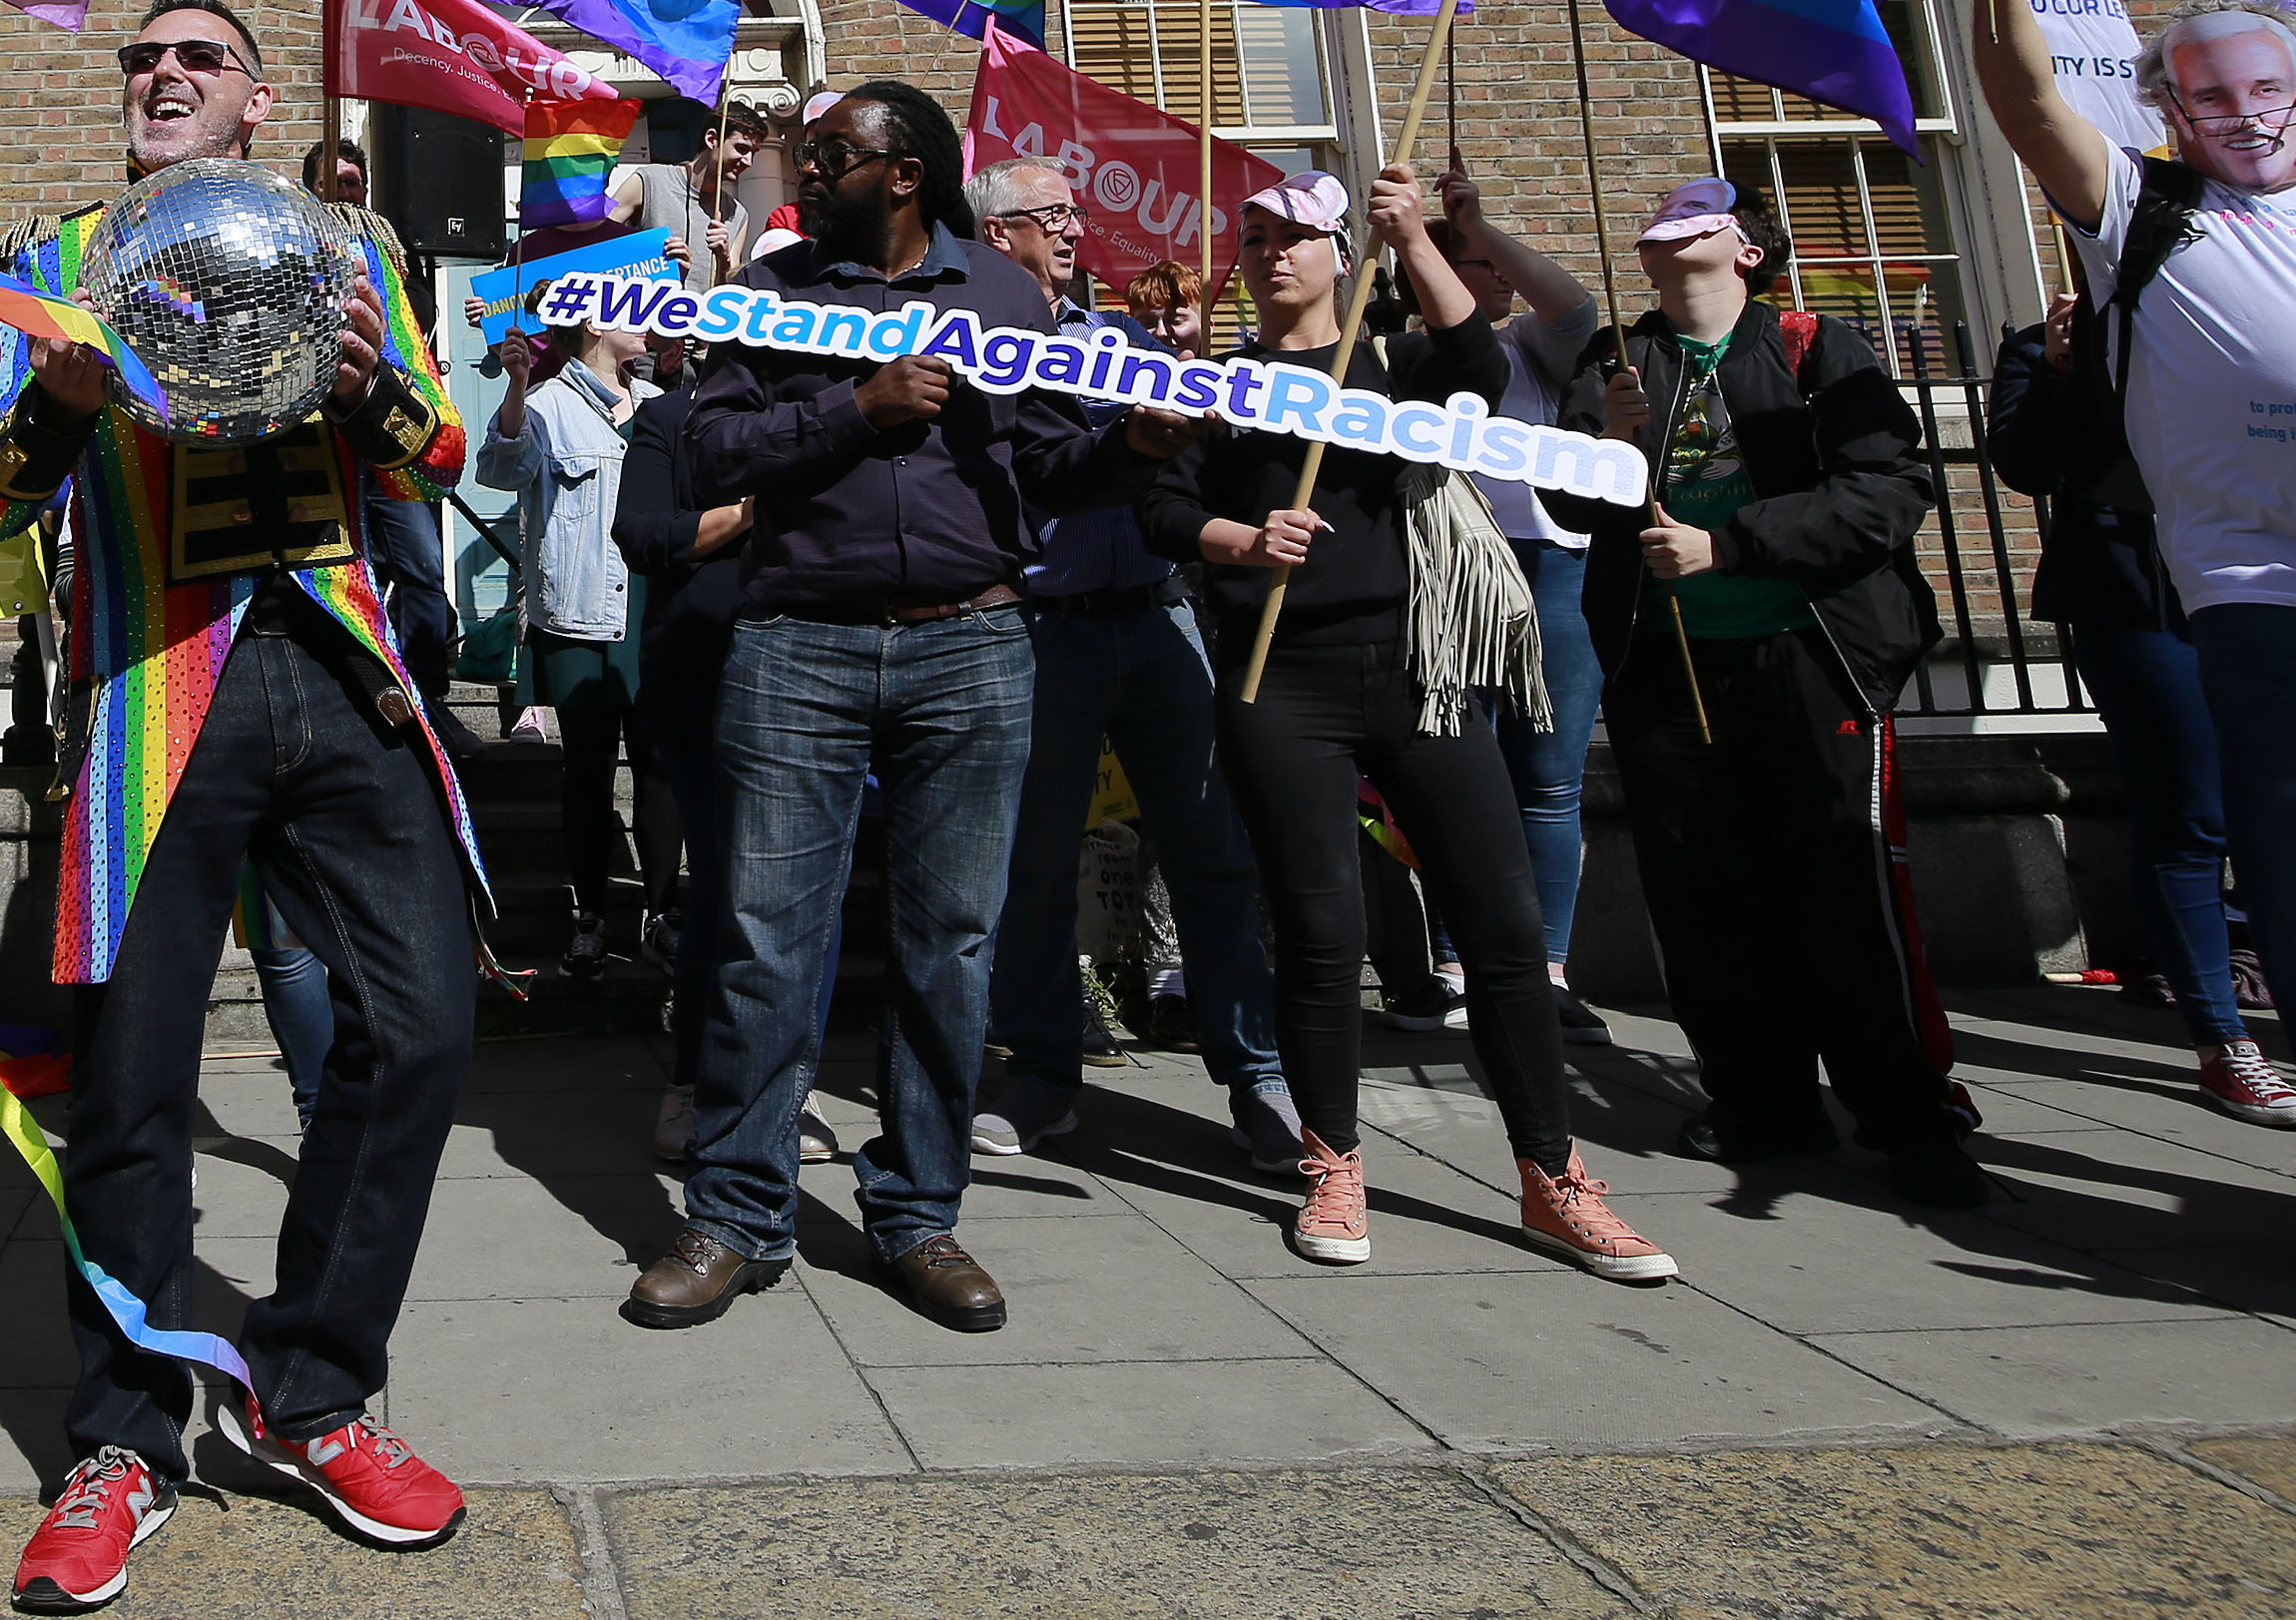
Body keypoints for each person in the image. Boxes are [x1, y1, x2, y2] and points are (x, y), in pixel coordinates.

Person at [0, 0, 477, 1616]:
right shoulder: (48, 265)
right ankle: (120, 1444)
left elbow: (435, 453)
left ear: (256, 103)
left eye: (199, 59)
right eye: (142, 57)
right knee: (130, 1083)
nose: (162, 72)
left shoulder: (343, 249)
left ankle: (310, 1390)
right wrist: (62, 395)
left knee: (423, 1027)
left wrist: (361, 382)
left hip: (337, 674)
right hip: (146, 702)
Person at [626, 82, 1194, 1340]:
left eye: (829, 153)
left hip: (974, 648)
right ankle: (734, 1213)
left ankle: (919, 1213)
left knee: (954, 943)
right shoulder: (770, 295)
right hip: (793, 649)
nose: (802, 167)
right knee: (766, 941)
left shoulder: (1001, 295)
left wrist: (1143, 449)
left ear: (905, 175)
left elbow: (1052, 464)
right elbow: (708, 453)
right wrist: (856, 407)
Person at [1951, 0, 2296, 1287]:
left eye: (2264, 92)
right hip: (2275, 616)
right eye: (2204, 98)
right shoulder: (2152, 218)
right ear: (2168, 112)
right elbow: (2020, 100)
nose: (2240, 116)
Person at [1140, 169, 1675, 1284]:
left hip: (1420, 672)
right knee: (1322, 933)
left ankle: (1553, 1176)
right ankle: (1332, 1159)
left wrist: (1418, 238)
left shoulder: (1394, 366)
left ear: (1343, 254)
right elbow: (1161, 507)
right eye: (1254, 237)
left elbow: (1485, 362)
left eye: (1296, 237)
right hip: (1277, 678)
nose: (1271, 252)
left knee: (1501, 928)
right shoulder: (1217, 381)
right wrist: (1241, 539)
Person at [1553, 179, 1981, 1207]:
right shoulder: (1617, 358)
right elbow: (1569, 498)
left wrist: (1730, 543)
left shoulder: (1815, 347)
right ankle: (1760, 1098)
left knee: (1845, 893)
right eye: (1659, 211)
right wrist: (1607, 447)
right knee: (1705, 896)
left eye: (1700, 210)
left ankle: (1907, 1113)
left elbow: (1888, 490)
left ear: (1745, 250)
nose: (1668, 217)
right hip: (1671, 667)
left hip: (1807, 657)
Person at [961, 158, 1297, 1179]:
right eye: (1048, 213)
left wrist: (1192, 374)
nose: (1072, 227)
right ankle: (1045, 1074)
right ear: (996, 233)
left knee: (1213, 847)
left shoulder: (1120, 339)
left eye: (1072, 210)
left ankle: (1257, 1075)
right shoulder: (979, 345)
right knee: (1037, 861)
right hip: (1045, 625)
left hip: (1158, 617)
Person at [1991, 293, 2296, 1125]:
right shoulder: (2044, 347)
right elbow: (2025, 465)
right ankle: (2223, 1040)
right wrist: (2061, 371)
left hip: (2280, 584)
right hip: (2139, 597)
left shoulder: (2247, 320)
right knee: (2192, 813)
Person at [1424, 168, 1613, 1048]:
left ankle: (1545, 970)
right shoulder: (1405, 353)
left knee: (1549, 782)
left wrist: (1482, 226)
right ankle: (1457, 965)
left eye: (1499, 265)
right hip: (1454, 569)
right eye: (1476, 264)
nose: (1496, 277)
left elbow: (1576, 311)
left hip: (1553, 569)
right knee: (1463, 778)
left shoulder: (1536, 349)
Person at [474, 308, 653, 971]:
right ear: (596, 327)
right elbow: (497, 468)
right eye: (635, 316)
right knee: (588, 771)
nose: (650, 327)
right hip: (578, 615)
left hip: (650, 613)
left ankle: (660, 914)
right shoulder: (547, 404)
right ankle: (591, 915)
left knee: (658, 770)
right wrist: (517, 385)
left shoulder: (660, 404)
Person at [613, 343, 750, 1166]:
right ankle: (693, 1082)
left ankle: (777, 1084)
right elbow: (641, 533)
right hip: (700, 680)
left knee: (801, 898)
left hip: (805, 678)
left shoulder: (815, 423)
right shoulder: (671, 419)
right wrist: (744, 516)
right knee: (728, 886)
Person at [301, 137, 457, 716]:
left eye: (354, 184)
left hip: (386, 427)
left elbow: (418, 313)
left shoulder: (387, 243)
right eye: (334, 185)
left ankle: (431, 699)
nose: (347, 194)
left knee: (421, 566)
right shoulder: (294, 236)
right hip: (323, 440)